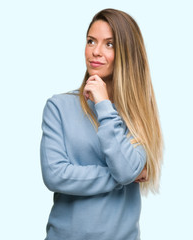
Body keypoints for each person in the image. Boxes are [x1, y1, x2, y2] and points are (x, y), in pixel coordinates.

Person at [40, 8, 164, 240]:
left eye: (109, 44)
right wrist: (118, 177)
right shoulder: (58, 107)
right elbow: (55, 175)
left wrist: (104, 105)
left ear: (127, 53)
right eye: (91, 41)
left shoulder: (138, 115)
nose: (96, 52)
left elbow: (127, 169)